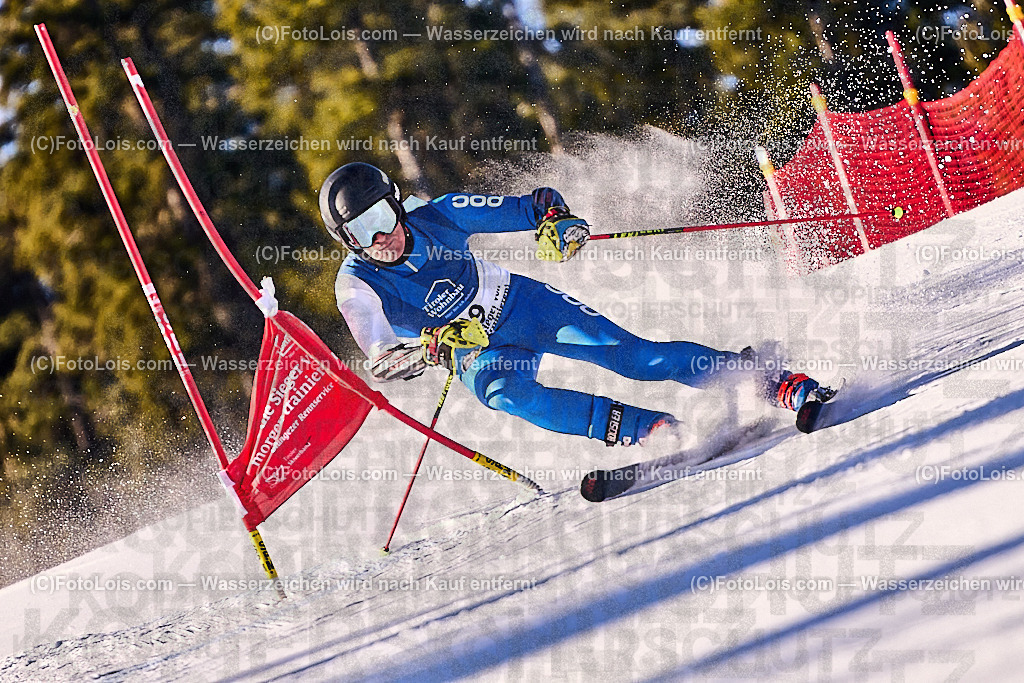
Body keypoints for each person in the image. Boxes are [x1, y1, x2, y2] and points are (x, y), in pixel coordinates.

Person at [320, 162, 822, 446]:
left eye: (383, 216)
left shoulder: (439, 216)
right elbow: (381, 361)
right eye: (361, 232)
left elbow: (538, 203)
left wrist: (558, 222)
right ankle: (652, 430)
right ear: (347, 241)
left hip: (522, 306)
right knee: (508, 395)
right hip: (479, 354)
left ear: (396, 201)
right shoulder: (356, 285)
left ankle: (773, 382)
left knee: (636, 359)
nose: (380, 236)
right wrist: (430, 348)